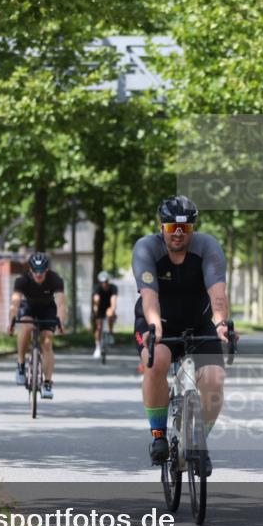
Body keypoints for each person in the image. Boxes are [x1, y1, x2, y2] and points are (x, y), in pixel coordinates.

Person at [133, 195, 236, 475]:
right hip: (159, 322)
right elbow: (149, 297)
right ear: (162, 226)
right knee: (157, 361)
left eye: (185, 229)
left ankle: (199, 441)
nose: (178, 234)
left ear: (192, 228)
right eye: (171, 228)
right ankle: (158, 436)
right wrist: (155, 326)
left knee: (214, 379)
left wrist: (220, 324)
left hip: (200, 324)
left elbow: (217, 294)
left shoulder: (208, 247)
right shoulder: (146, 248)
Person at [8, 252, 67, 398]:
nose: (38, 274)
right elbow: (15, 303)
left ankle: (47, 383)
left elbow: (61, 303)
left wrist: (61, 322)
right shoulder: (22, 280)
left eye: (41, 271)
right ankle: (21, 364)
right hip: (28, 306)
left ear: (46, 270)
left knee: (47, 342)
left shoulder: (55, 279)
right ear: (30, 270)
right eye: (35, 271)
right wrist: (12, 322)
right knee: (27, 327)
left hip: (48, 308)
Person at [92, 270, 118, 359]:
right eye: (103, 282)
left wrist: (113, 310)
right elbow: (96, 300)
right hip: (99, 308)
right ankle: (97, 347)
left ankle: (110, 333)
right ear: (100, 282)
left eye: (106, 281)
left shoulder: (113, 287)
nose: (105, 283)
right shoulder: (97, 288)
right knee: (99, 327)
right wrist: (95, 312)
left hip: (109, 307)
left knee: (110, 314)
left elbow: (113, 300)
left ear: (108, 281)